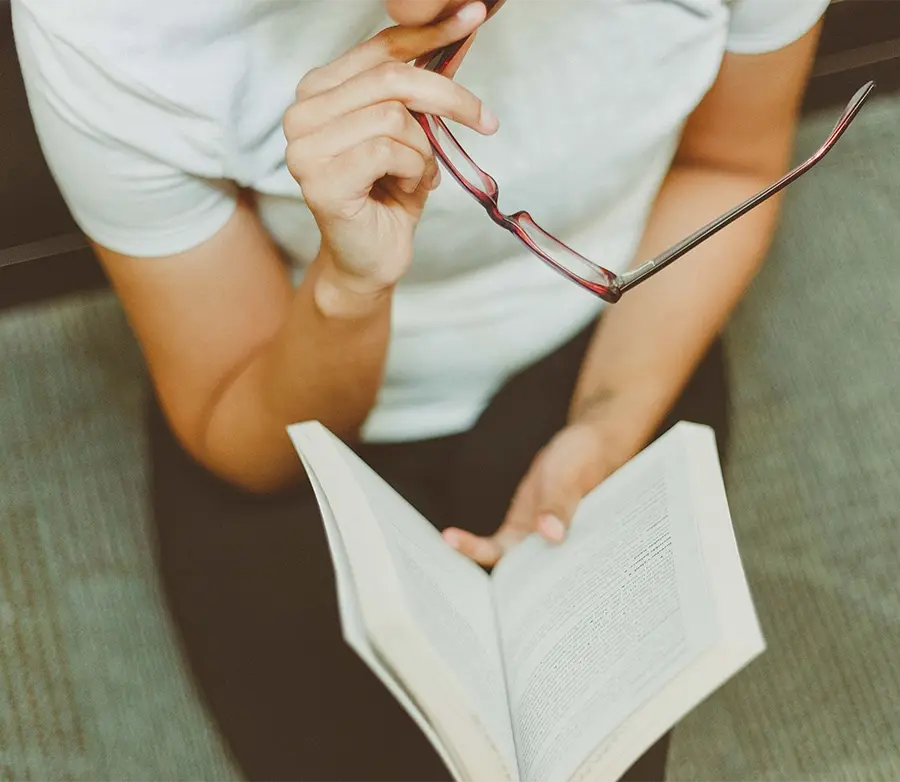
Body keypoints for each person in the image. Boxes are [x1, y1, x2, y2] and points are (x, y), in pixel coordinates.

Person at [12, 0, 831, 778]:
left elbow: (728, 163)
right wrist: (347, 288)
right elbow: (241, 426)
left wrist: (609, 421)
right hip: (286, 371)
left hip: (616, 336)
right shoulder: (111, 25)